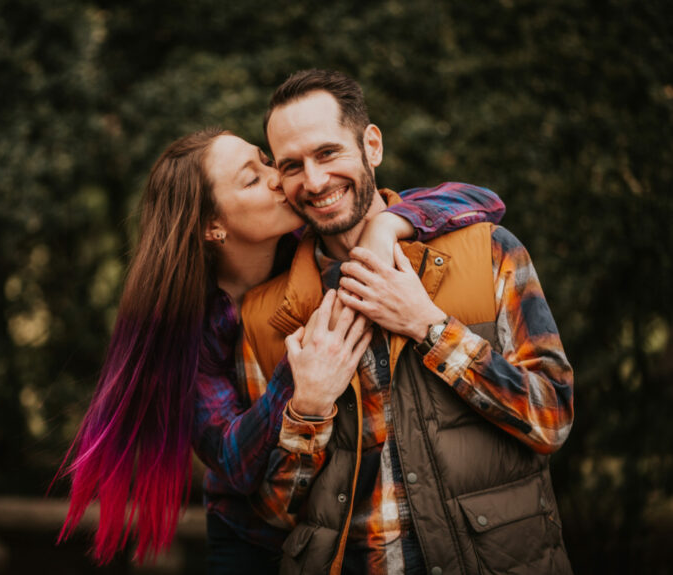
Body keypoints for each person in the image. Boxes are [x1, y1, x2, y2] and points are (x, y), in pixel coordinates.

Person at [54, 126, 506, 571]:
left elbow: (484, 200)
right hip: (251, 539)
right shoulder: (190, 330)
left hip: (335, 527)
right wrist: (298, 376)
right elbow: (235, 464)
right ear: (213, 227)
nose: (278, 177)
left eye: (265, 161)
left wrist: (388, 225)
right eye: (252, 178)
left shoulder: (314, 246)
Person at [240, 69, 574, 574]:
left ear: (371, 145)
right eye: (292, 166)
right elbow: (270, 509)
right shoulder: (265, 317)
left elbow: (552, 418)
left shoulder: (488, 252)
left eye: (328, 153)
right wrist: (307, 409)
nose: (313, 181)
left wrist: (430, 328)